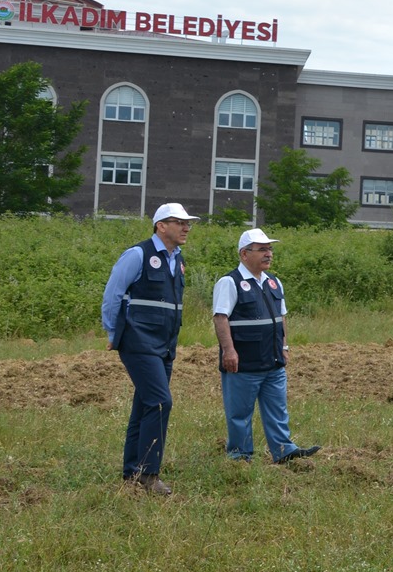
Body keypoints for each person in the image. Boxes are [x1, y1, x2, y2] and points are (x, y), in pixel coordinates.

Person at [100, 202, 198, 495]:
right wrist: (114, 333)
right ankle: (148, 474)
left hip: (165, 344)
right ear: (161, 226)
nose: (185, 228)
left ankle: (132, 472)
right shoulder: (138, 254)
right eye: (178, 222)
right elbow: (112, 296)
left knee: (144, 406)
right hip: (138, 340)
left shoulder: (178, 260)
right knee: (159, 402)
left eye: (187, 223)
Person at [213, 228, 320, 465]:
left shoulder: (274, 282)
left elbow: (281, 318)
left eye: (269, 248)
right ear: (244, 254)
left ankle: (284, 450)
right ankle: (240, 456)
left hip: (273, 361)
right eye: (262, 249)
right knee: (239, 413)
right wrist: (229, 351)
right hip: (244, 362)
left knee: (278, 409)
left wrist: (285, 347)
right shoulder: (230, 282)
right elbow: (220, 318)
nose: (268, 253)